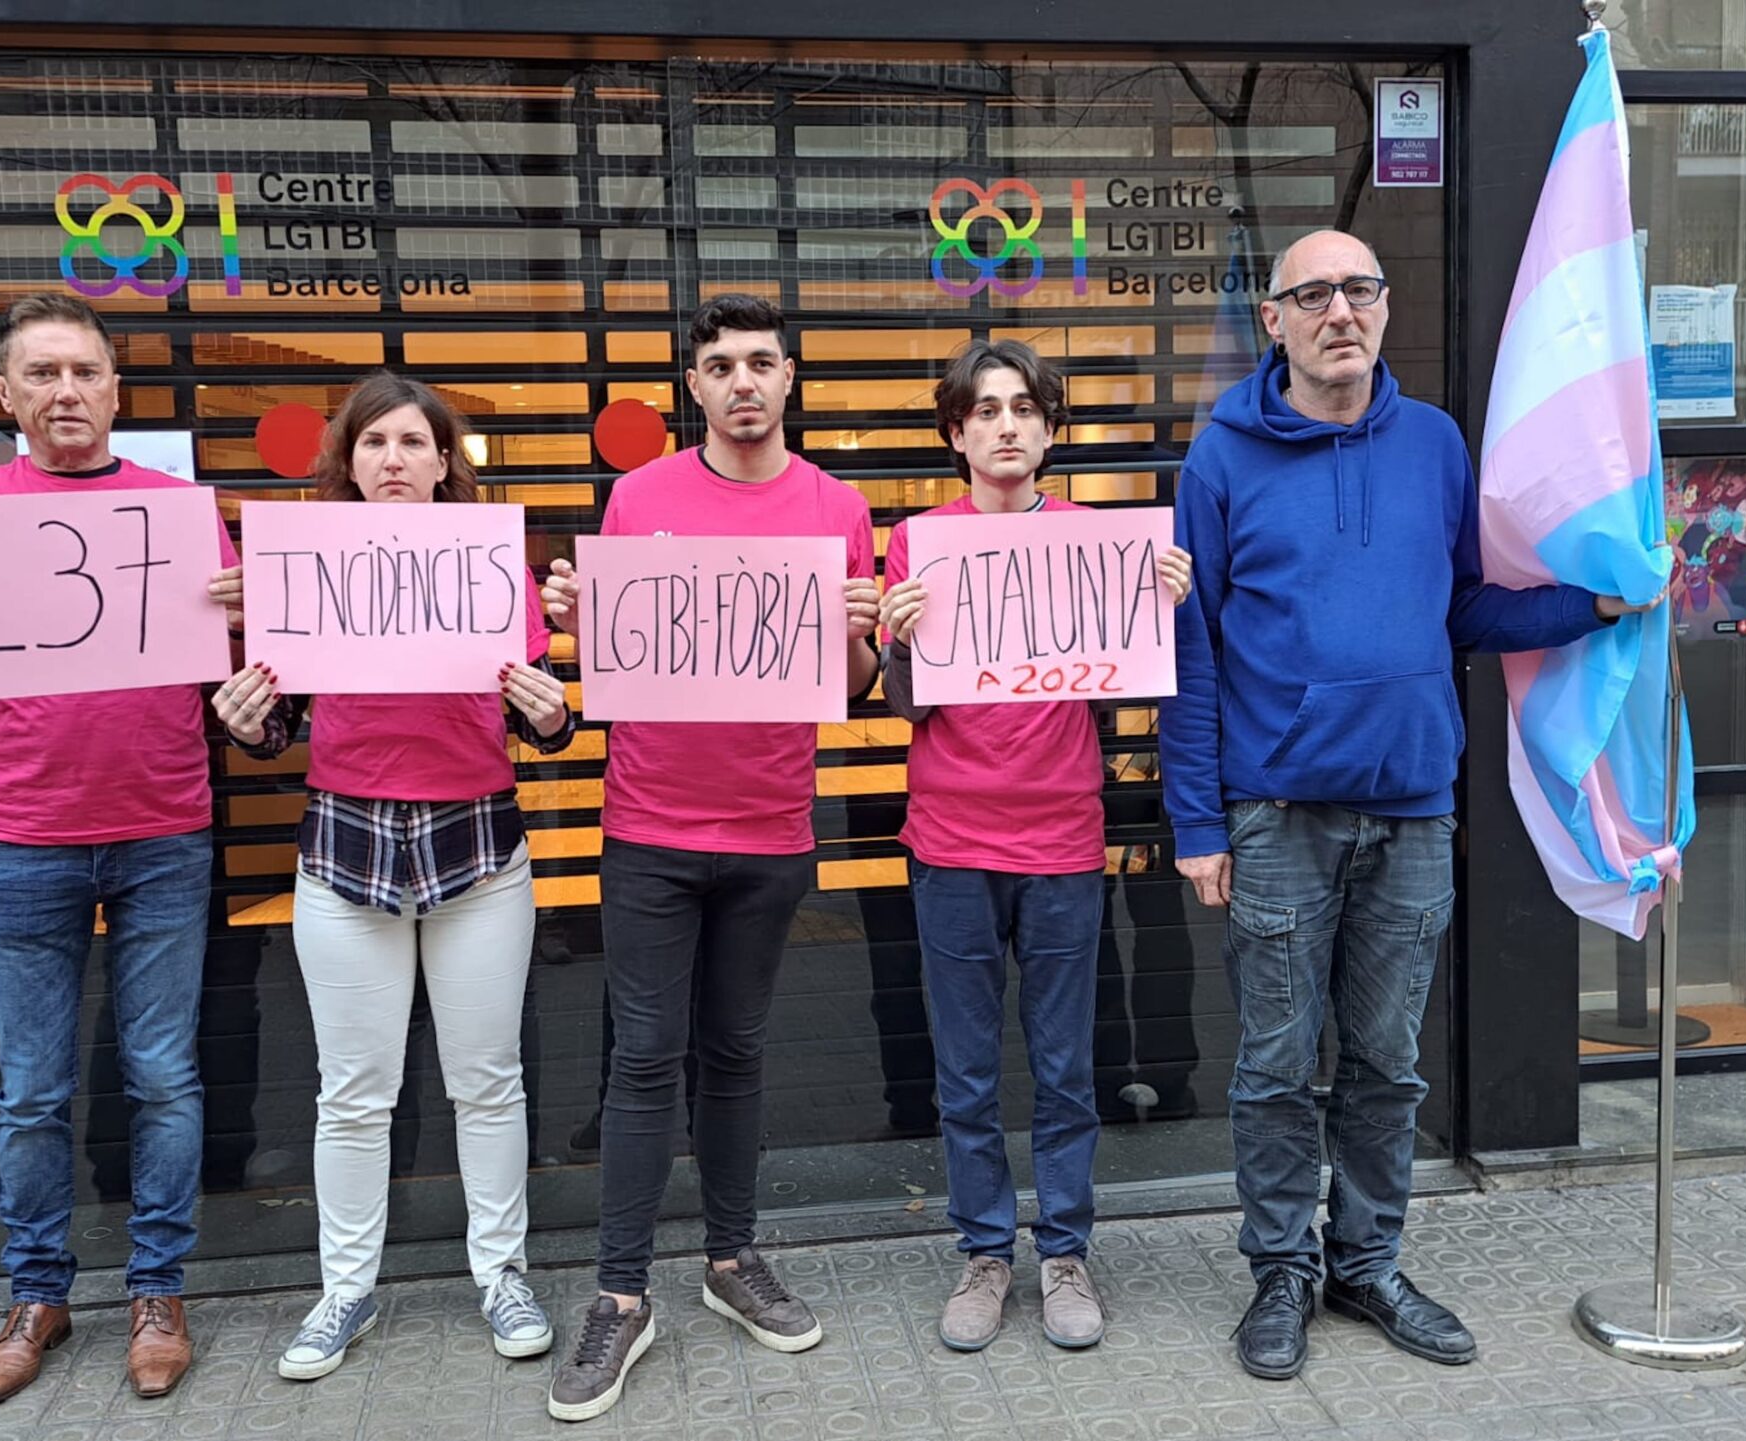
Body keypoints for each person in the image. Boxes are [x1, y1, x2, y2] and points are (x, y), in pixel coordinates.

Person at [1161, 232, 1661, 1382]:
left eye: (1360, 290)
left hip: (1412, 811)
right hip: (1277, 814)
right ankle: (1280, 1270)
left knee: (1387, 1065)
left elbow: (1465, 607)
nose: (1340, 311)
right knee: (1274, 1068)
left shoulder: (1435, 443)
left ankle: (1366, 1262)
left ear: (1384, 308)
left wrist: (1591, 605)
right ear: (1274, 319)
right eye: (1313, 294)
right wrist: (1195, 824)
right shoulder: (1221, 457)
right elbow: (1190, 651)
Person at [0, 292, 243, 1407]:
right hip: (22, 834)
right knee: (29, 1090)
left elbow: (233, 665)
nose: (66, 391)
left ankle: (157, 1290)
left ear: (116, 389)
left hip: (163, 826)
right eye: (43, 374)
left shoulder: (178, 511)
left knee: (163, 1075)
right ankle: (36, 1295)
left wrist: (251, 611)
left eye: (85, 371)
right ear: (5, 397)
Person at [536, 293, 879, 1424]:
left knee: (735, 1052)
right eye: (721, 364)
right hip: (649, 827)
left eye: (761, 363)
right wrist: (571, 613)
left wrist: (865, 631)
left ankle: (731, 1260)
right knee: (644, 1060)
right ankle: (619, 1295)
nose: (743, 382)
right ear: (694, 384)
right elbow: (606, 649)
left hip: (773, 826)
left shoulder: (836, 508)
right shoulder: (638, 498)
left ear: (789, 379)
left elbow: (855, 684)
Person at [209, 372, 575, 1382]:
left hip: (476, 848)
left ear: (444, 460)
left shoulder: (493, 567)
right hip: (346, 849)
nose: (394, 458)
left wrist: (553, 714)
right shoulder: (306, 569)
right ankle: (345, 1288)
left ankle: (501, 1273)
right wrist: (246, 720)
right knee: (352, 1092)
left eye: (413, 441)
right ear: (349, 460)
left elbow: (541, 718)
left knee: (487, 1082)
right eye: (373, 442)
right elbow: (277, 722)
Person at [878, 339, 1191, 1354]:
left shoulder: (1094, 542)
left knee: (1063, 1068)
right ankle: (983, 1252)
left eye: (1023, 408)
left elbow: (1130, 680)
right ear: (956, 433)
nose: (1005, 425)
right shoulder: (917, 543)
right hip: (951, 843)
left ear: (1050, 431)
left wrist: (1162, 607)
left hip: (1060, 839)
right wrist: (897, 640)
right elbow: (904, 705)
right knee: (966, 1072)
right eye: (985, 409)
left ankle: (1063, 1251)